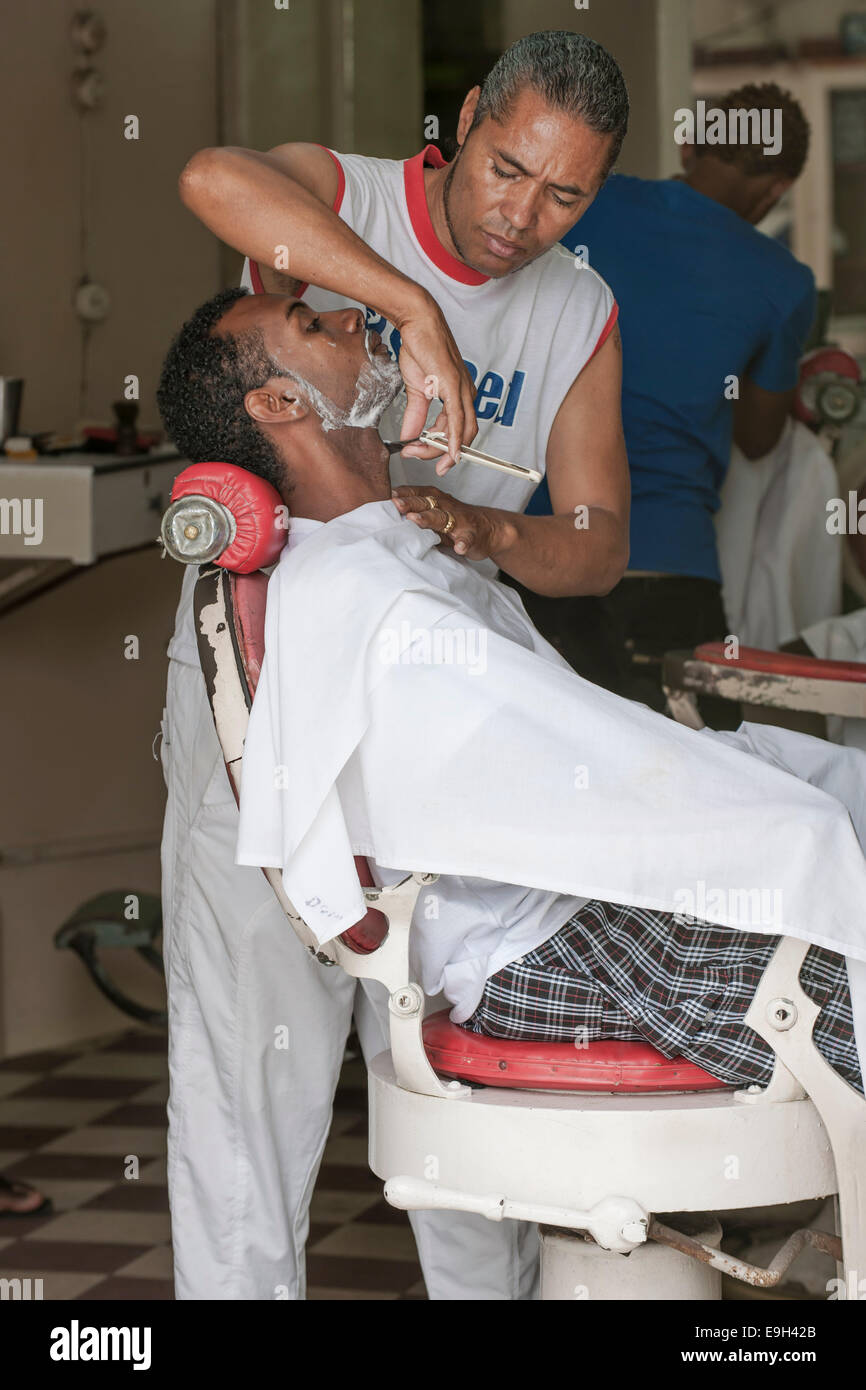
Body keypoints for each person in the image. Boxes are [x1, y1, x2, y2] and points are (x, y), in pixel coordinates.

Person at [161, 30, 632, 1300]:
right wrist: (413, 307)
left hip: (446, 713)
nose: (519, 217)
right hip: (271, 693)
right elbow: (211, 174)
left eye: (564, 195)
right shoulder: (344, 198)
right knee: (247, 1080)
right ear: (466, 119)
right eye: (503, 167)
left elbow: (592, 551)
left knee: (458, 1072)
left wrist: (480, 525)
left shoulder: (577, 310)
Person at [159, 286, 862, 1105]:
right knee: (817, 834)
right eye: (312, 326)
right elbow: (593, 782)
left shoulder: (391, 551)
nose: (353, 318)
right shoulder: (364, 594)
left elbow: (576, 763)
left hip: (573, 919)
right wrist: (791, 822)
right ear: (279, 402)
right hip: (554, 948)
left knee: (820, 800)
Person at [510, 82, 816, 724]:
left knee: (537, 771)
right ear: (777, 190)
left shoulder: (585, 205)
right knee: (699, 781)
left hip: (538, 542)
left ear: (689, 143)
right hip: (669, 567)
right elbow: (761, 438)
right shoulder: (784, 281)